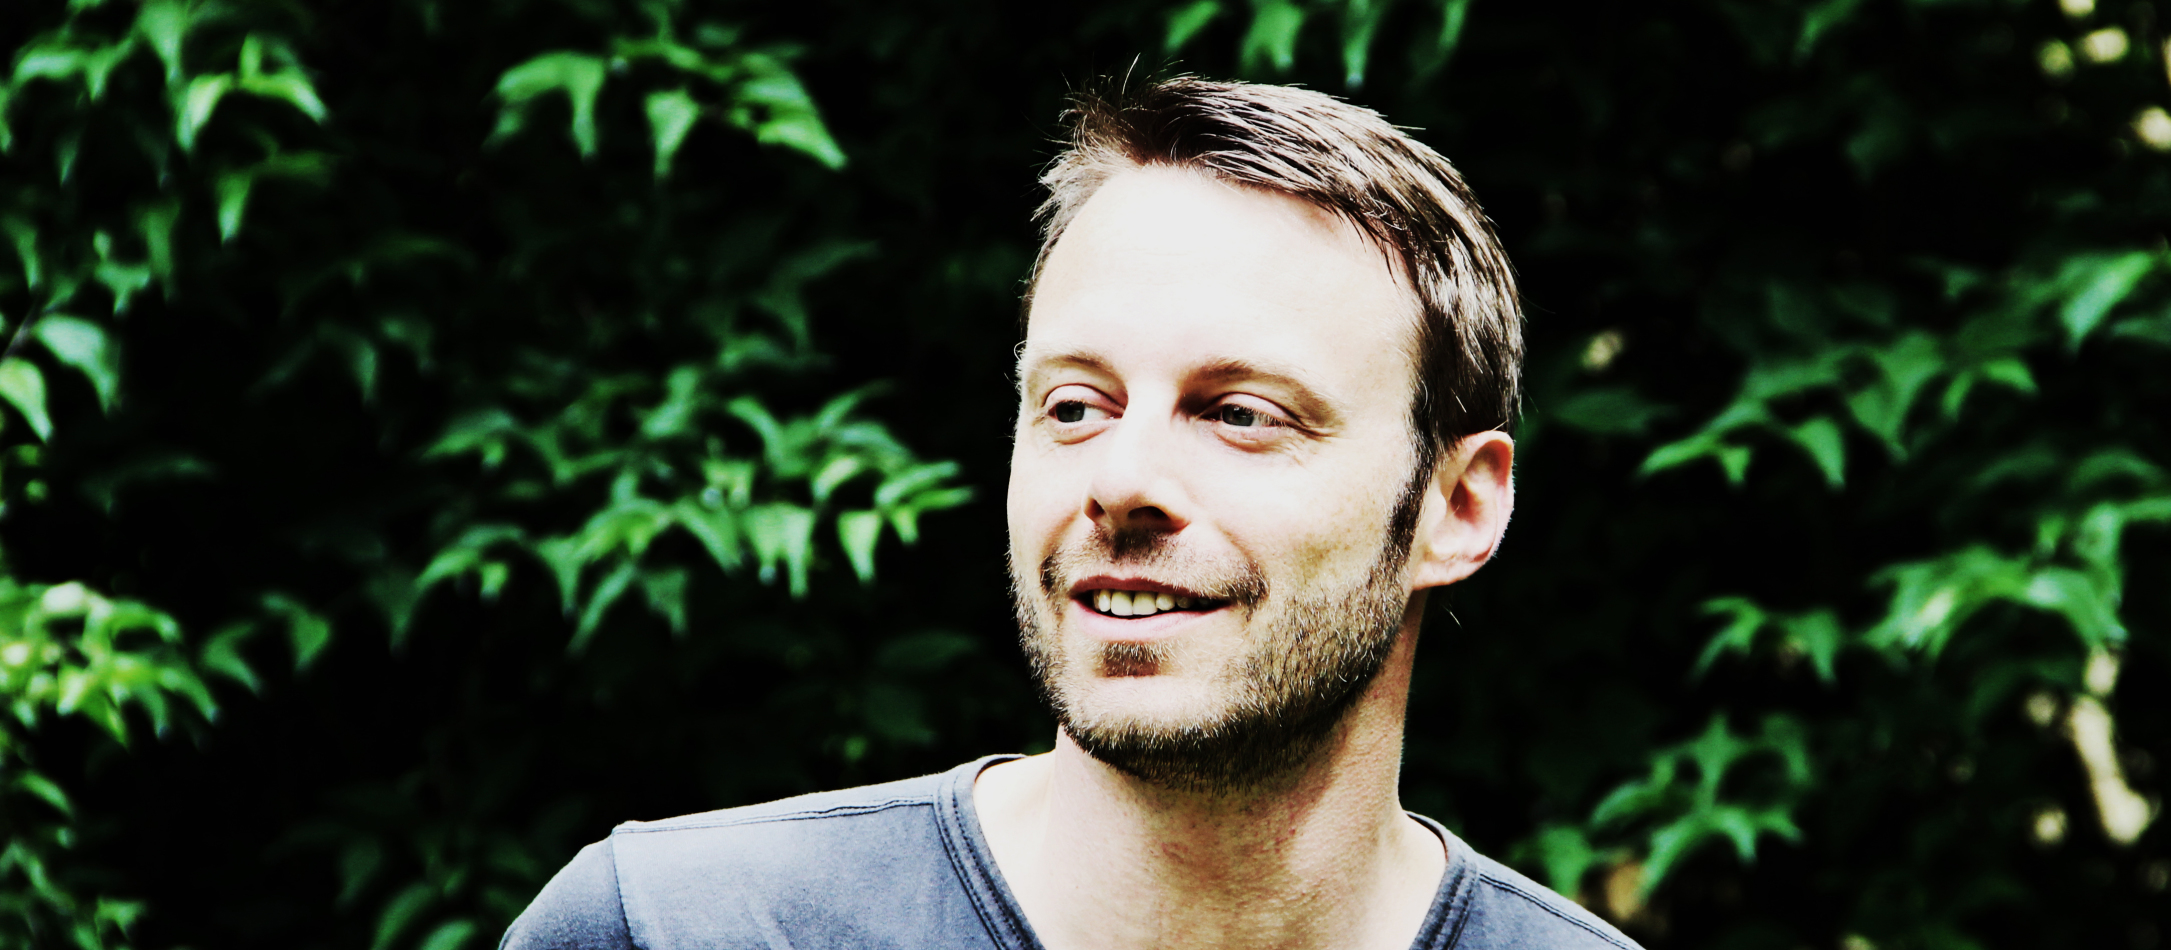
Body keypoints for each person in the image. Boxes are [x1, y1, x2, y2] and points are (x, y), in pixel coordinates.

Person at [502, 75, 1638, 950]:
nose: (1120, 480)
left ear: (1456, 506)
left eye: (1240, 413)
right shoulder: (673, 929)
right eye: (1076, 406)